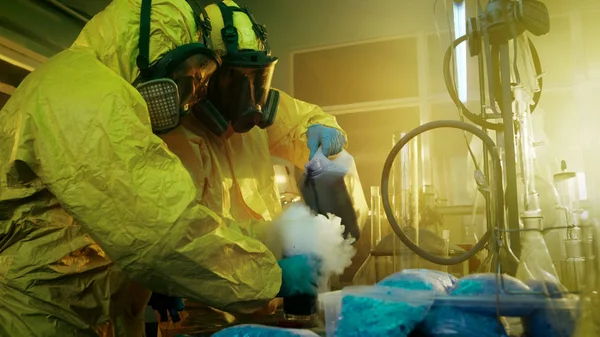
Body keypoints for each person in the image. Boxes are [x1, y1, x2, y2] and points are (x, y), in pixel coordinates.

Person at [0, 0, 324, 335]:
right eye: (184, 76)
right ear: (148, 52)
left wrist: (154, 285)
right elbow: (162, 232)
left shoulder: (100, 88)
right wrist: (271, 276)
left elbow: (115, 226)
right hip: (30, 315)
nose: (188, 98)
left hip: (67, 311)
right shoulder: (87, 96)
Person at [150, 0, 349, 331]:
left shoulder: (260, 118)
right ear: (202, 75)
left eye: (256, 77)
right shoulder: (175, 134)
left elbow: (306, 118)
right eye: (232, 79)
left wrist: (323, 131)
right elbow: (182, 234)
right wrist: (162, 279)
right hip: (200, 307)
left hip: (265, 297)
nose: (248, 95)